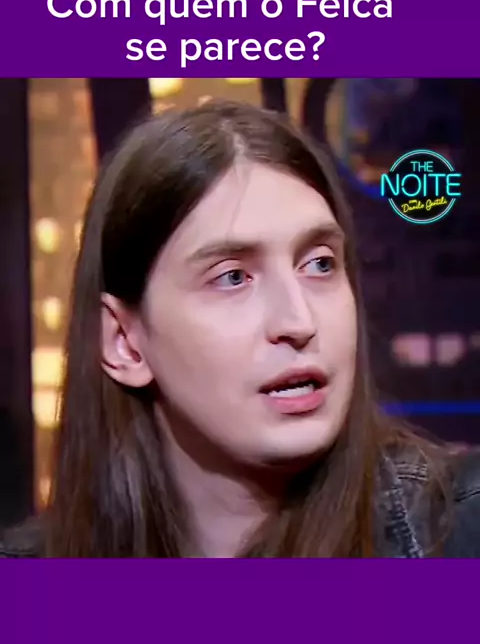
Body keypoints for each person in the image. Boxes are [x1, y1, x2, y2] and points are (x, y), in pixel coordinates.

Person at [1, 99, 480, 558]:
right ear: (124, 343)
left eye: (319, 264)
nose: (299, 322)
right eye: (233, 277)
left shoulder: (459, 535)